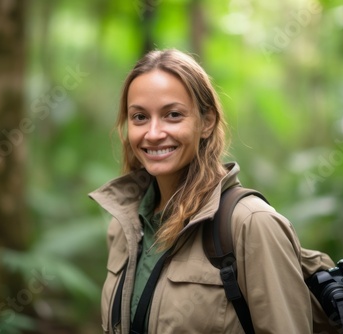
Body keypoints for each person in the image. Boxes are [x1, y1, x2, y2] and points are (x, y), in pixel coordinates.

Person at [89, 49, 314, 333]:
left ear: (206, 122)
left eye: (172, 115)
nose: (154, 133)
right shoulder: (124, 225)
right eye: (140, 117)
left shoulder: (250, 224)